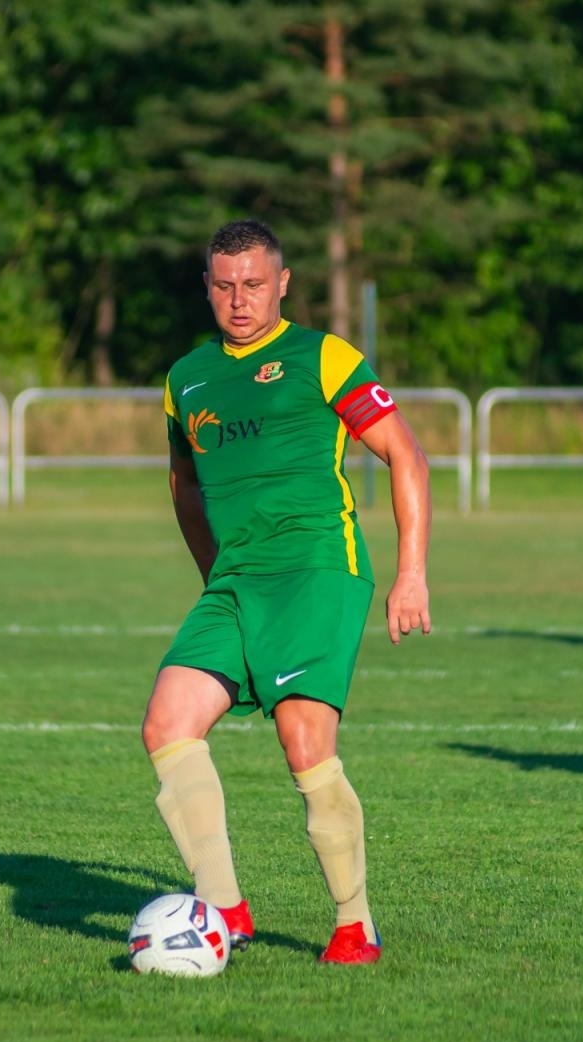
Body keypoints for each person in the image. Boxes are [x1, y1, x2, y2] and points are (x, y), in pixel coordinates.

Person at [143, 219, 431, 965]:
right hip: (237, 580)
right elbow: (183, 490)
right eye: (224, 286)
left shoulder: (321, 356)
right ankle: (225, 910)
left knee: (304, 743)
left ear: (283, 284)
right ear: (206, 288)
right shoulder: (186, 379)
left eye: (254, 285)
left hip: (315, 569)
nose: (240, 301)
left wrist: (411, 572)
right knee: (167, 724)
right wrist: (215, 575)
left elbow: (406, 454)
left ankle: (354, 925)